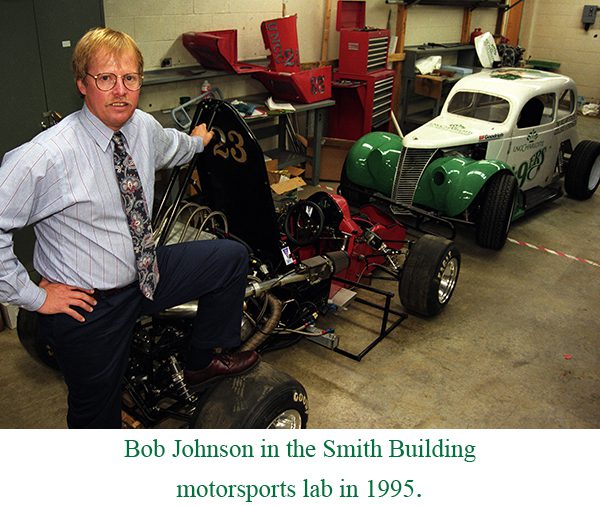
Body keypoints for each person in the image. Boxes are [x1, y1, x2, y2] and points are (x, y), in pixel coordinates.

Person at [0, 27, 259, 428]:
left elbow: (173, 146)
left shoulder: (140, 126)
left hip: (145, 274)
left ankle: (200, 362)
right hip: (90, 305)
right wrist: (32, 296)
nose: (120, 90)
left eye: (130, 78)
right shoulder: (45, 157)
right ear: (83, 84)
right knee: (96, 417)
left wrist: (199, 141)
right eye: (105, 78)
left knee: (230, 258)